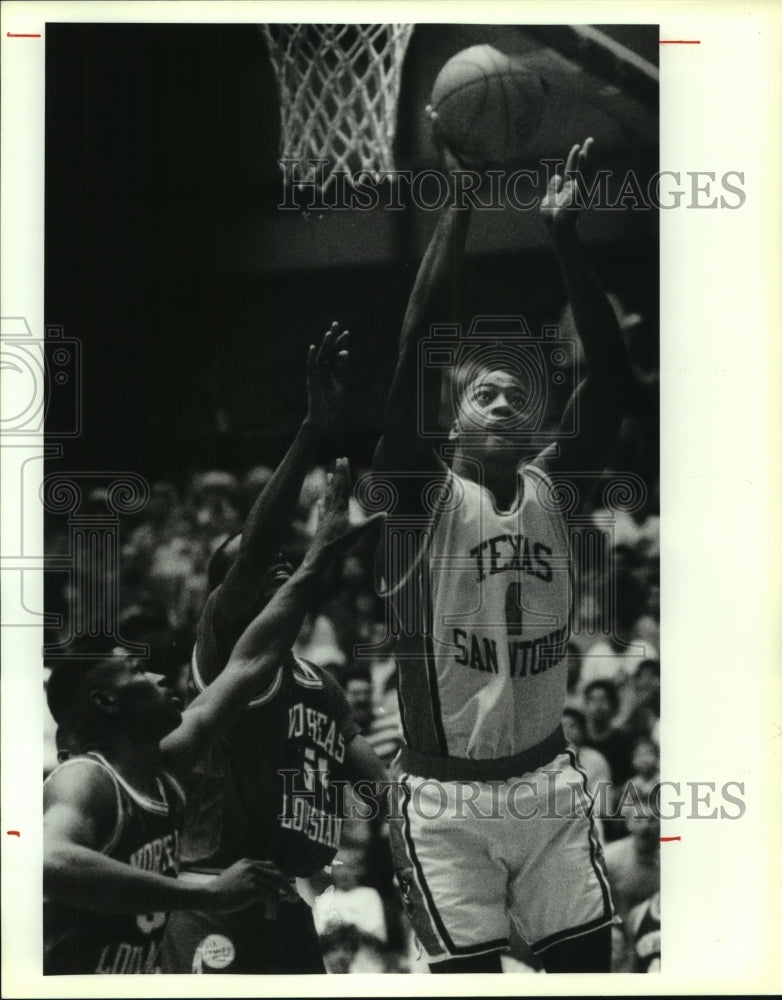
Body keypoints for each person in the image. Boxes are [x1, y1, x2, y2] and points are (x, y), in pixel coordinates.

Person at [370, 129, 633, 973]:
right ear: (451, 422)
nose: (507, 398)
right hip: (444, 798)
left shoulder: (557, 489)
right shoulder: (423, 498)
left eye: (521, 393)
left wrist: (564, 236)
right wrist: (460, 207)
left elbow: (618, 382)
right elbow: (415, 350)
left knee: (591, 969)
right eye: (485, 390)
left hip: (550, 782)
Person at [43, 461, 366, 975]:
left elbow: (255, 661)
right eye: (135, 671)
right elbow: (47, 862)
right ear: (106, 703)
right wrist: (208, 894)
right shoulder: (87, 779)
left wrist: (323, 551)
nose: (156, 678)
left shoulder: (167, 766)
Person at [162, 329, 389, 975]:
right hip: (215, 889)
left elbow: (381, 789)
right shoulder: (227, 648)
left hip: (288, 900)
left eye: (286, 569)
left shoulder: (320, 684)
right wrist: (312, 430)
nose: (278, 573)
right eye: (260, 572)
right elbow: (260, 548)